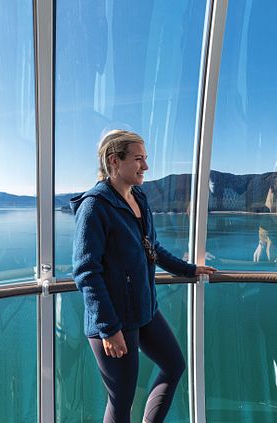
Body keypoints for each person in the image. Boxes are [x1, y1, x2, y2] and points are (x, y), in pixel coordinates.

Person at [71, 129, 216, 423]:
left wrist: (189, 269)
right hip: (114, 320)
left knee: (174, 366)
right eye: (138, 159)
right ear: (114, 161)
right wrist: (108, 328)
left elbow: (152, 248)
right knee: (121, 401)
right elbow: (86, 272)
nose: (146, 166)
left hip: (143, 309)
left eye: (145, 158)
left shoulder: (138, 197)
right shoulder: (94, 207)